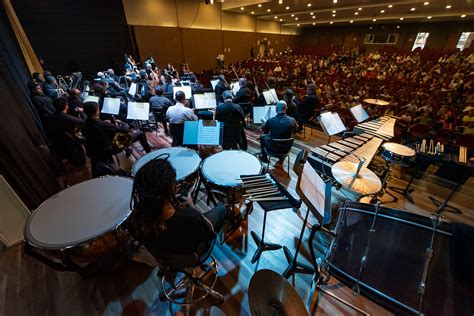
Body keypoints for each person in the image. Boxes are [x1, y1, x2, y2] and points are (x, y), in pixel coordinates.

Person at [128, 158, 228, 256]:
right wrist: (192, 205)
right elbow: (209, 231)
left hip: (167, 255)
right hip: (192, 251)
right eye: (174, 182)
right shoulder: (190, 216)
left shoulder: (135, 219)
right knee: (222, 208)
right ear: (170, 188)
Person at [82, 101, 152, 165]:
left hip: (93, 149)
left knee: (116, 133)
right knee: (140, 133)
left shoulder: (84, 123)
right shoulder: (102, 125)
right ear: (97, 111)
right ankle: (149, 153)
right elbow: (125, 129)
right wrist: (121, 122)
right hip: (107, 149)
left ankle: (128, 149)